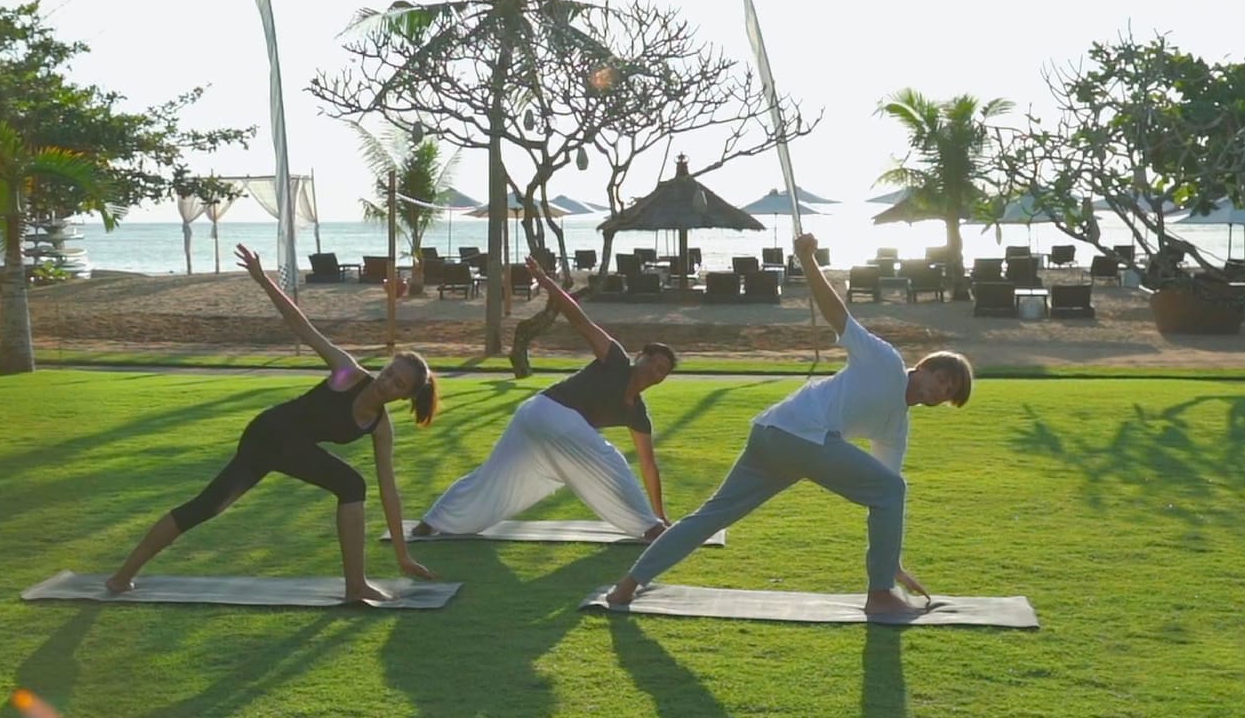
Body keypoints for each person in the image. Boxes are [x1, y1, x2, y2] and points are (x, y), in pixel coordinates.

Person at [605, 232, 974, 613]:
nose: (940, 391)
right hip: (797, 436)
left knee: (710, 518)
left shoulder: (896, 426)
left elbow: (884, 497)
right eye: (942, 380)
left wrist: (891, 561)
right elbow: (836, 314)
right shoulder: (885, 361)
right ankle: (879, 596)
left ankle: (626, 586)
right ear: (925, 367)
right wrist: (807, 259)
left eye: (948, 393)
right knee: (889, 490)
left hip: (775, 435)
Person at [105, 244, 441, 602]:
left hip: (292, 447)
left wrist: (402, 554)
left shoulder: (380, 427)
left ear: (404, 397)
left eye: (397, 384)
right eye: (389, 372)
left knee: (350, 485)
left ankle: (355, 586)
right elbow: (303, 327)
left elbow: (389, 491)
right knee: (209, 506)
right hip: (268, 434)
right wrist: (264, 281)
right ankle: (122, 576)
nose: (386, 382)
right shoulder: (347, 372)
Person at [412, 257, 677, 542]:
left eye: (662, 371)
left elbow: (649, 465)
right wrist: (547, 281)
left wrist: (660, 511)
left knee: (492, 479)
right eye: (653, 363)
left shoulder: (637, 413)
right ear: (640, 357)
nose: (655, 372)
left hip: (538, 419)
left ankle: (431, 522)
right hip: (548, 411)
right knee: (609, 459)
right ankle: (650, 528)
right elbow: (579, 319)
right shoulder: (615, 360)